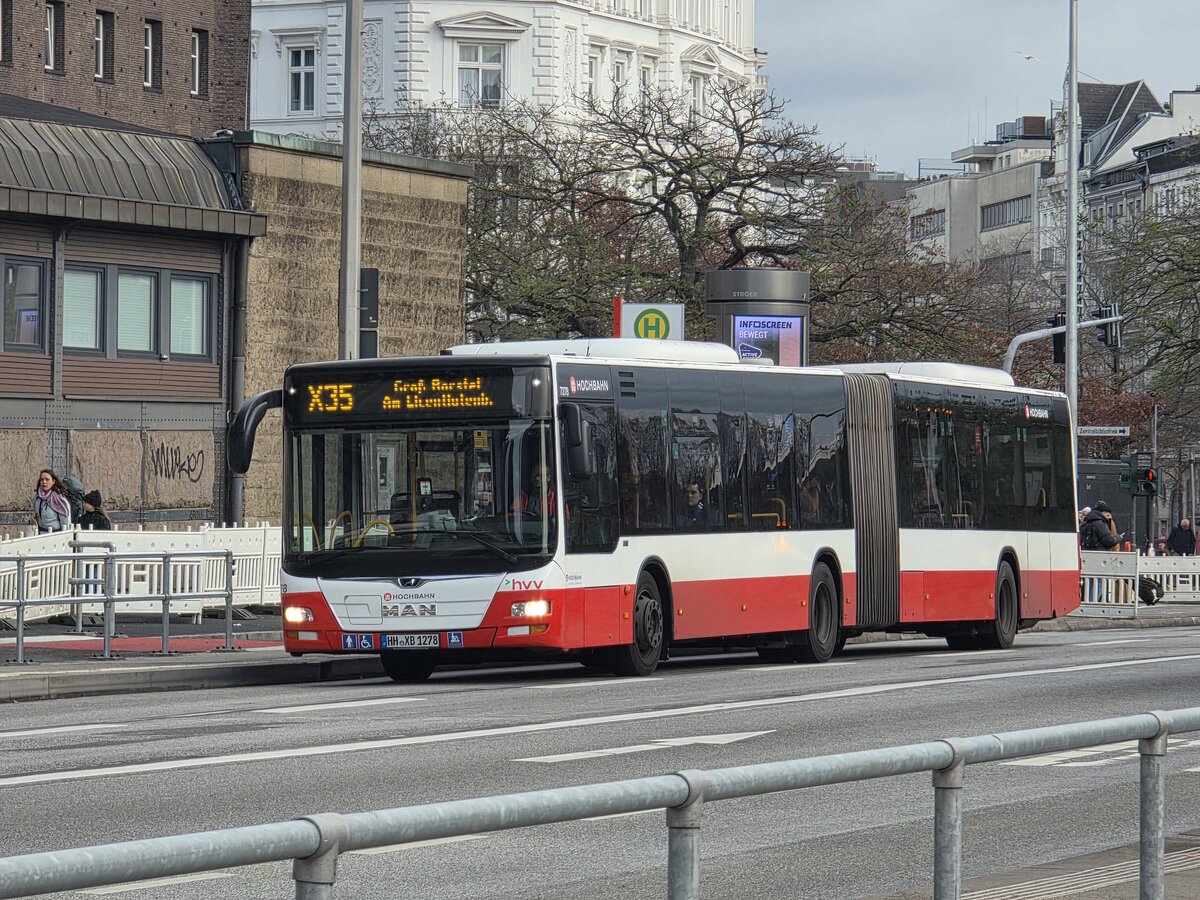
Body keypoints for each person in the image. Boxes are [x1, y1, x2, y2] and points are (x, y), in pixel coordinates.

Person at [29, 469, 73, 533]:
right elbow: (35, 514)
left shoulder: (59, 499)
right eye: (42, 479)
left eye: (47, 479)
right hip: (40, 535)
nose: (44, 482)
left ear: (53, 481)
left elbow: (66, 522)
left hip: (54, 536)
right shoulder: (38, 497)